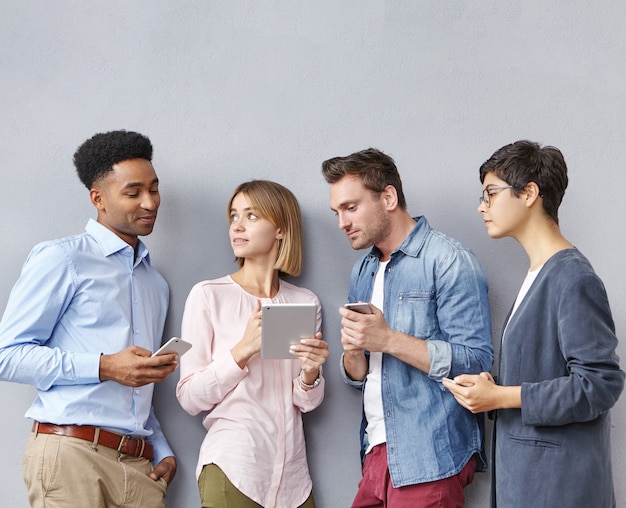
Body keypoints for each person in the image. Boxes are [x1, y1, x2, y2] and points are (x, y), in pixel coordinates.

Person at [0, 130, 179, 507]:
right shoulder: (61, 259)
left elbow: (138, 385)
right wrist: (105, 366)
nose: (149, 203)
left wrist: (160, 446)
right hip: (71, 456)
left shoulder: (155, 284)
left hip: (139, 466)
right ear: (98, 198)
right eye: (133, 193)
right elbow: (8, 355)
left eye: (154, 189)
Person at [443, 140, 625, 507]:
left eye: (491, 194)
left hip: (557, 488)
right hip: (527, 483)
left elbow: (599, 385)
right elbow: (541, 371)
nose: (482, 206)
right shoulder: (538, 274)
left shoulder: (573, 279)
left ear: (529, 193)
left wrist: (502, 396)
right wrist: (492, 389)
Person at [322, 148, 494, 508]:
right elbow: (361, 376)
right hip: (375, 453)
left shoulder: (448, 260)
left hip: (429, 456)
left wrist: (388, 339)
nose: (342, 222)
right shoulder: (363, 270)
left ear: (388, 197)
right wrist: (353, 353)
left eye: (351, 207)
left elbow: (476, 360)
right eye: (337, 211)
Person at [176, 180, 329, 508]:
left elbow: (306, 402)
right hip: (234, 467)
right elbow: (188, 397)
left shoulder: (305, 302)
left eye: (252, 216)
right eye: (233, 216)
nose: (238, 226)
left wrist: (311, 373)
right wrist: (242, 351)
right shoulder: (208, 295)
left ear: (281, 230)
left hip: (293, 480)